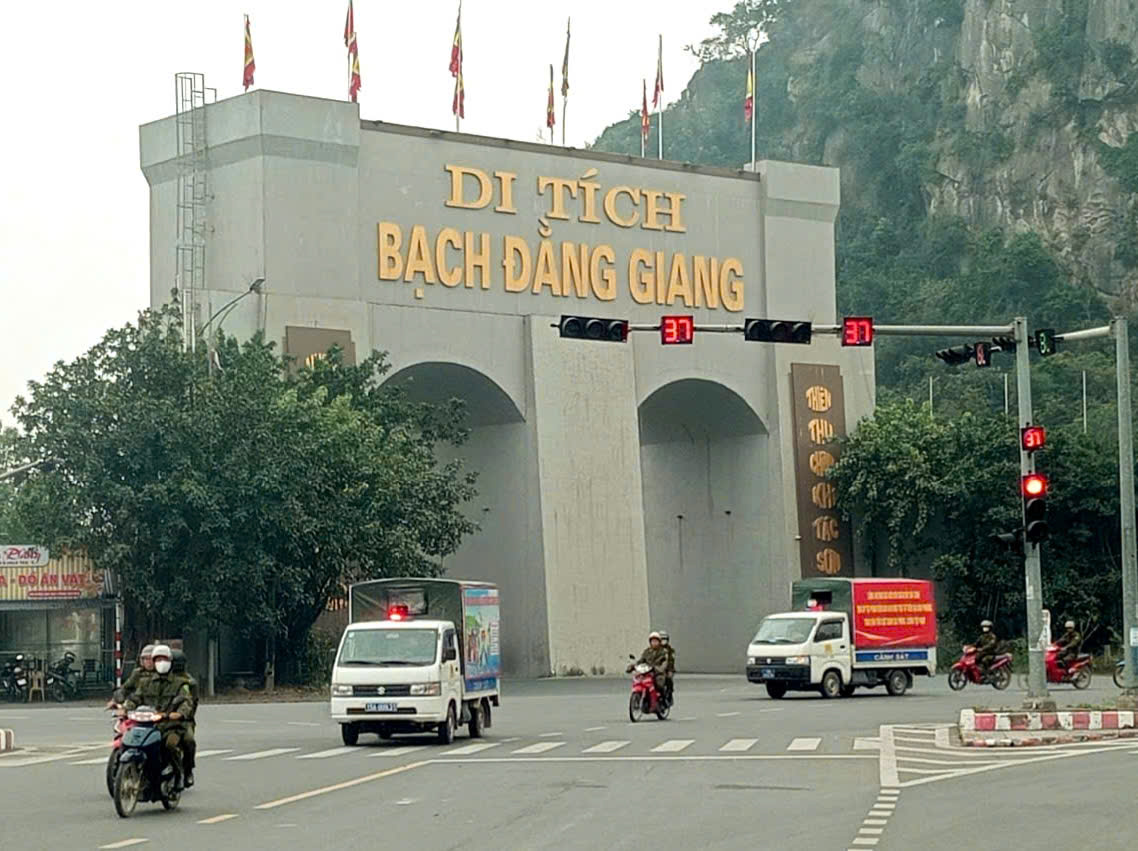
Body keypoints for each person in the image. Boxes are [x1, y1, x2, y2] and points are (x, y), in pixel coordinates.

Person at [124, 644, 195, 791]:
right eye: (157, 659)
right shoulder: (145, 682)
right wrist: (126, 708)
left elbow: (186, 701)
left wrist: (179, 713)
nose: (161, 663)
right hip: (149, 724)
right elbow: (136, 698)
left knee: (170, 745)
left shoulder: (180, 683)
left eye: (164, 659)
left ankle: (179, 774)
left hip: (171, 725)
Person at [171, 649, 198, 788]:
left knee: (188, 740)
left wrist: (182, 714)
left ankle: (188, 771)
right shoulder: (161, 679)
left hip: (183, 720)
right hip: (160, 717)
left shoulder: (189, 683)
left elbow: (191, 703)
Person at [108, 644, 155, 708]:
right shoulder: (137, 673)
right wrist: (115, 700)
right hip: (139, 707)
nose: (149, 662)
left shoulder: (163, 674)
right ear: (142, 661)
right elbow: (125, 688)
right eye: (146, 659)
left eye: (151, 659)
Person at [630, 632, 669, 699]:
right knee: (639, 679)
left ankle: (662, 698)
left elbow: (664, 663)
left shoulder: (663, 652)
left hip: (657, 672)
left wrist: (659, 668)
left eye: (656, 641)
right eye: (652, 641)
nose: (654, 643)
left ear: (659, 642)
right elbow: (641, 660)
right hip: (647, 671)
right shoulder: (647, 651)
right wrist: (633, 666)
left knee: (659, 683)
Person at [659, 630, 676, 706]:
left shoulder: (670, 650)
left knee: (668, 679)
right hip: (656, 669)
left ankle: (669, 695)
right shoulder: (652, 650)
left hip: (666, 669)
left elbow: (671, 661)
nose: (663, 641)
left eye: (664, 639)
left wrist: (670, 670)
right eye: (661, 639)